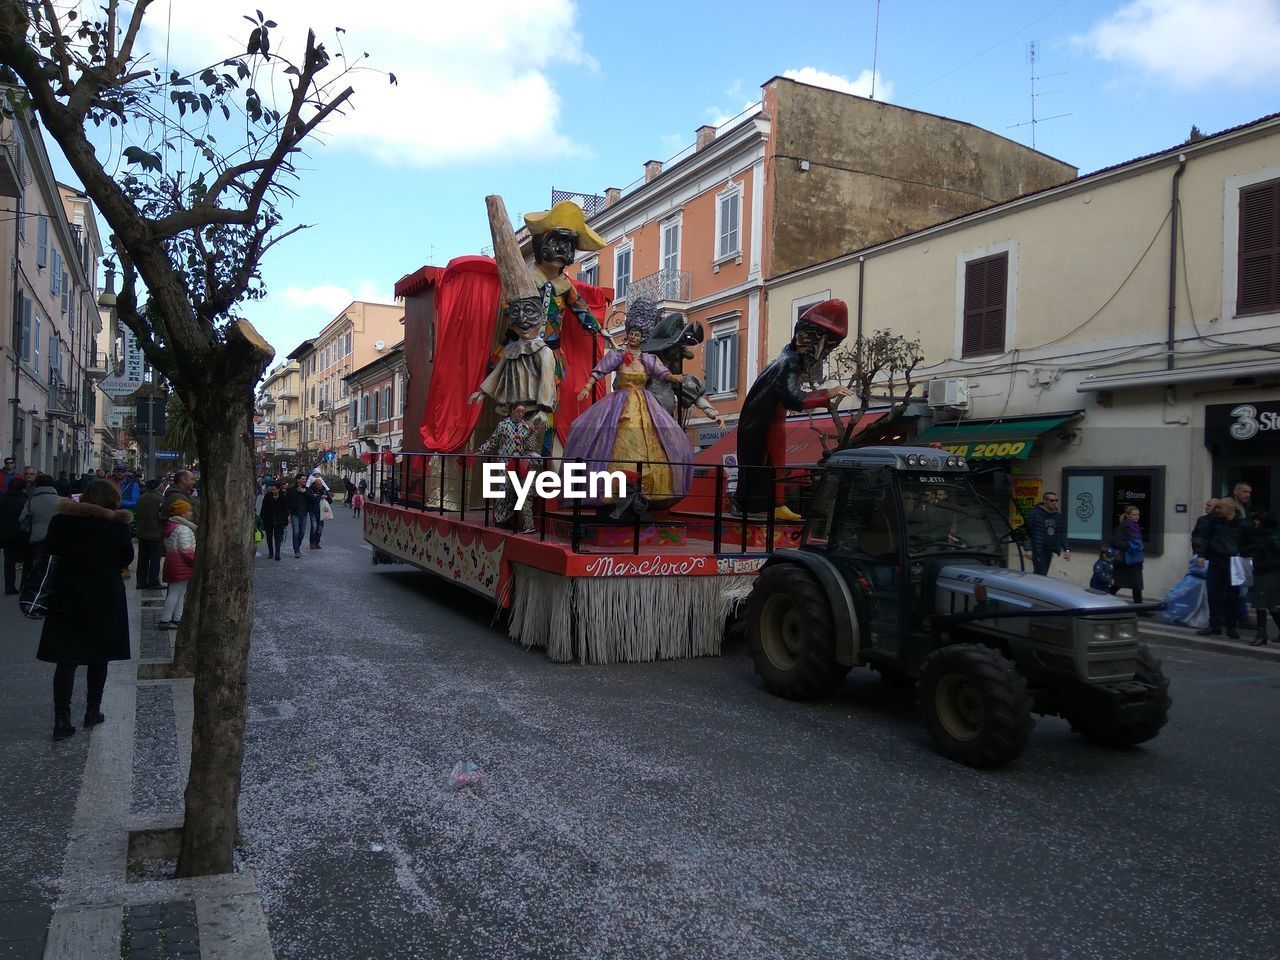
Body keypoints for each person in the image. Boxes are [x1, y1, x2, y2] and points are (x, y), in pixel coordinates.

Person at [565, 298, 694, 512]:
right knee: (606, 437)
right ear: (628, 335)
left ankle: (648, 488)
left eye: (638, 335)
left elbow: (661, 372)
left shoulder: (646, 358)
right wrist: (588, 385)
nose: (634, 338)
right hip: (619, 403)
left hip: (644, 403)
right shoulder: (618, 355)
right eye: (632, 334)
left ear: (642, 338)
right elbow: (601, 370)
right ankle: (611, 489)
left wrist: (674, 378)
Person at [735, 299, 851, 520]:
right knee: (773, 464)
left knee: (766, 463)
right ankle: (771, 506)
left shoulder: (785, 358)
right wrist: (828, 393)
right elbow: (792, 398)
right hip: (767, 422)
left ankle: (764, 505)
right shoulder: (790, 363)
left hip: (761, 421)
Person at [36, 480, 134, 740]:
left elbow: (49, 552)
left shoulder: (62, 521)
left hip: (68, 593)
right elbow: (126, 557)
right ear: (112, 500)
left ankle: (62, 717)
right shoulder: (118, 525)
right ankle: (93, 710)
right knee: (99, 656)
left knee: (65, 658)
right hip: (105, 595)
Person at [474, 404, 543, 533]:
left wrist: (533, 433)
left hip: (518, 464)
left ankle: (510, 519)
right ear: (512, 411)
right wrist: (481, 450)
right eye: (518, 411)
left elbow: (530, 445)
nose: (520, 414)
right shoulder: (503, 425)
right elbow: (493, 441)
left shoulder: (526, 427)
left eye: (522, 412)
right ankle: (500, 518)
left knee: (513, 491)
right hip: (505, 462)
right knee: (503, 489)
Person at [1194, 498, 1245, 639]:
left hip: (1234, 562)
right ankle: (1214, 625)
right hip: (1216, 559)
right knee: (1213, 593)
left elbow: (1248, 541)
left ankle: (1231, 627)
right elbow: (1205, 536)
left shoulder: (1241, 523)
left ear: (1229, 508)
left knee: (1232, 596)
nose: (1217, 510)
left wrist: (1248, 555)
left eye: (1220, 507)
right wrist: (1201, 554)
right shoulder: (1215, 520)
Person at [157, 499, 196, 630]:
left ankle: (177, 618)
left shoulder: (171, 525)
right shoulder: (183, 529)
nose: (191, 513)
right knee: (174, 593)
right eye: (188, 510)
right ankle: (165, 619)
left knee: (179, 593)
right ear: (182, 513)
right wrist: (197, 560)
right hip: (181, 565)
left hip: (174, 564)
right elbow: (187, 551)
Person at [18, 474, 60, 595]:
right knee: (53, 565)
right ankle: (52, 587)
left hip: (37, 538)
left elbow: (22, 518)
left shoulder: (31, 501)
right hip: (55, 538)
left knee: (38, 564)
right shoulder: (60, 501)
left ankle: (36, 589)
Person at [1247, 511, 1279, 646]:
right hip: (1263, 571)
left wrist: (1262, 564)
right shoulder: (1260, 536)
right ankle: (1261, 634)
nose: (1255, 522)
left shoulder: (1272, 537)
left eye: (1257, 520)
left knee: (1263, 604)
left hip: (1268, 573)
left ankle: (1261, 634)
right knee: (1271, 605)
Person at [1027, 491, 1072, 575]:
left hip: (1049, 549)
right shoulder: (1035, 513)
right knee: (1040, 573)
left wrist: (1067, 549)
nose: (1054, 502)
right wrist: (1028, 549)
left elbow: (1061, 533)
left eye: (1056, 500)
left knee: (1041, 573)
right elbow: (1027, 531)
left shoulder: (1057, 516)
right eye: (1052, 500)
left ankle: (1033, 586)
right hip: (1038, 549)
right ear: (1044, 501)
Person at [1109, 506, 1145, 604]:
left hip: (1136, 561)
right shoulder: (1122, 527)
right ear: (1128, 515)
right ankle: (1103, 600)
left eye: (1138, 514)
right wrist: (1131, 546)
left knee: (1137, 586)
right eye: (1134, 514)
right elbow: (1115, 541)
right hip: (1125, 562)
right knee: (1117, 584)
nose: (1137, 517)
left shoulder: (1137, 527)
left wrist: (1139, 546)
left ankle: (1140, 608)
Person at [134, 478, 165, 589]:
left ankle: (141, 581)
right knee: (155, 559)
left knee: (143, 558)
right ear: (158, 487)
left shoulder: (141, 498)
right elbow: (163, 515)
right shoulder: (160, 499)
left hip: (142, 532)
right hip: (156, 533)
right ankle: (153, 581)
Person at [0, 477, 29, 594]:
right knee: (27, 560)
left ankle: (9, 586)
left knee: (9, 562)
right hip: (22, 534)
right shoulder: (26, 500)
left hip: (6, 534)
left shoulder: (3, 500)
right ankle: (24, 585)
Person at [259, 479, 289, 561]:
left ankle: (277, 553)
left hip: (279, 520)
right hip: (268, 519)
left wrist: (285, 521)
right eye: (272, 489)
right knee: (269, 537)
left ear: (279, 489)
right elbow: (263, 508)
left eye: (275, 489)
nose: (273, 491)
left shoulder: (283, 497)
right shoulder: (267, 496)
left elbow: (286, 510)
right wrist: (261, 518)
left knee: (278, 537)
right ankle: (271, 552)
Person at [286, 473, 312, 558]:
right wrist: (288, 513)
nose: (304, 480)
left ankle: (298, 546)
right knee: (296, 532)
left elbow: (313, 499)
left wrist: (304, 492)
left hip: (304, 513)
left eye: (305, 479)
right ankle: (296, 550)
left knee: (302, 532)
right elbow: (287, 502)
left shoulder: (307, 489)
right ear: (298, 480)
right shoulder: (291, 490)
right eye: (303, 479)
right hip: (294, 513)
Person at [307, 472, 331, 549]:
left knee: (320, 528)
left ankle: (317, 542)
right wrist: (317, 496)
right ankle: (312, 542)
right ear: (314, 484)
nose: (320, 486)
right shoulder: (311, 489)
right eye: (318, 485)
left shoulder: (323, 490)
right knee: (314, 527)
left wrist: (326, 497)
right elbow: (309, 498)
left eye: (320, 485)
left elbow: (330, 501)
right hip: (313, 511)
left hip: (322, 511)